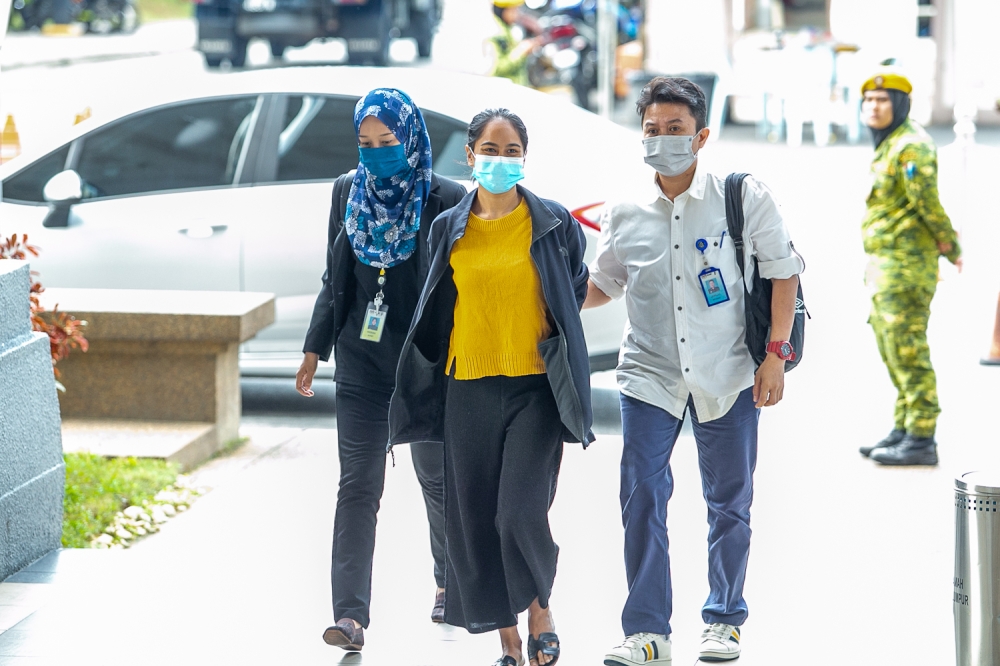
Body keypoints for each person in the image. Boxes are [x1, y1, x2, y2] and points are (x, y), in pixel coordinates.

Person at [584, 77, 804, 664]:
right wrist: (544, 296)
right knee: (642, 496)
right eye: (652, 130)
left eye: (675, 130)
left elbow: (784, 272)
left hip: (728, 369)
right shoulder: (624, 210)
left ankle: (724, 618)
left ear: (701, 136)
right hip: (649, 372)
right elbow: (604, 284)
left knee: (730, 500)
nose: (662, 140)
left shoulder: (742, 196)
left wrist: (775, 357)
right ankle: (648, 632)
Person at [388, 108, 593, 666]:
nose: (499, 161)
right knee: (475, 517)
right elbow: (437, 305)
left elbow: (571, 291)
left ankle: (540, 609)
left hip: (535, 388)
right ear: (470, 155)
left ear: (524, 157)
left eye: (511, 151)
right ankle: (507, 638)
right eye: (489, 150)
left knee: (519, 512)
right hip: (467, 386)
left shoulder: (552, 222)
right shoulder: (447, 227)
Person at [296, 88, 466, 652]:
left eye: (387, 141)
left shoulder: (446, 196)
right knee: (358, 485)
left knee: (437, 479)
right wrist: (315, 346)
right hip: (361, 363)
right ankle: (349, 616)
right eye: (365, 143)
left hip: (426, 365)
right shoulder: (349, 189)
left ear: (410, 137)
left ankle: (447, 582)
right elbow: (334, 275)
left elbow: (458, 287)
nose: (375, 153)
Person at [857, 70, 962, 466]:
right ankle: (903, 426)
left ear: (899, 105)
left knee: (908, 351)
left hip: (905, 268)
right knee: (892, 349)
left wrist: (952, 248)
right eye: (869, 101)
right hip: (885, 266)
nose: (874, 107)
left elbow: (928, 205)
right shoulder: (890, 144)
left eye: (883, 101)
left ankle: (921, 437)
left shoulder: (911, 146)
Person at [488, 0, 539, 86]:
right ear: (503, 11)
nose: (517, 13)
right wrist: (520, 51)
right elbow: (495, 70)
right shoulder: (495, 35)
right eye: (513, 10)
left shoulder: (509, 30)